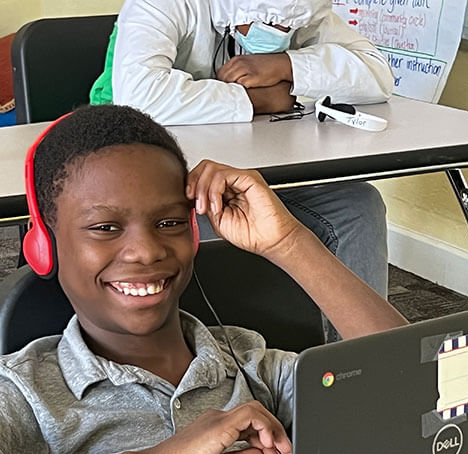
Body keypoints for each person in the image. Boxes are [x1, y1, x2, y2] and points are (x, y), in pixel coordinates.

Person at [0, 105, 406, 454]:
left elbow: (427, 388)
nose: (145, 251)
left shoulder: (251, 365)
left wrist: (289, 242)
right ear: (45, 246)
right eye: (105, 227)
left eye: (168, 222)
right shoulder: (17, 390)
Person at [90, 0, 394, 331]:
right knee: (207, 221)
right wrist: (258, 100)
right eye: (268, 24)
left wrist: (285, 64)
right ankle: (219, 356)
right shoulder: (163, 5)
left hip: (249, 170)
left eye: (285, 27)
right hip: (153, 177)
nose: (278, 32)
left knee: (358, 205)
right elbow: (140, 98)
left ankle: (362, 362)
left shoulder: (300, 12)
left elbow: (378, 74)